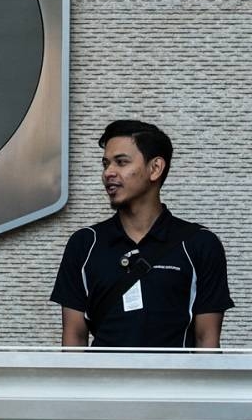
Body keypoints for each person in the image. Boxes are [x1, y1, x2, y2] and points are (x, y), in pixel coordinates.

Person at [50, 120, 233, 348]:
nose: (108, 173)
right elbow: (74, 339)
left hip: (176, 373)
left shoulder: (200, 243)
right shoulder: (84, 243)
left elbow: (207, 341)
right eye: (105, 164)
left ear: (155, 168)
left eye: (121, 162)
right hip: (101, 373)